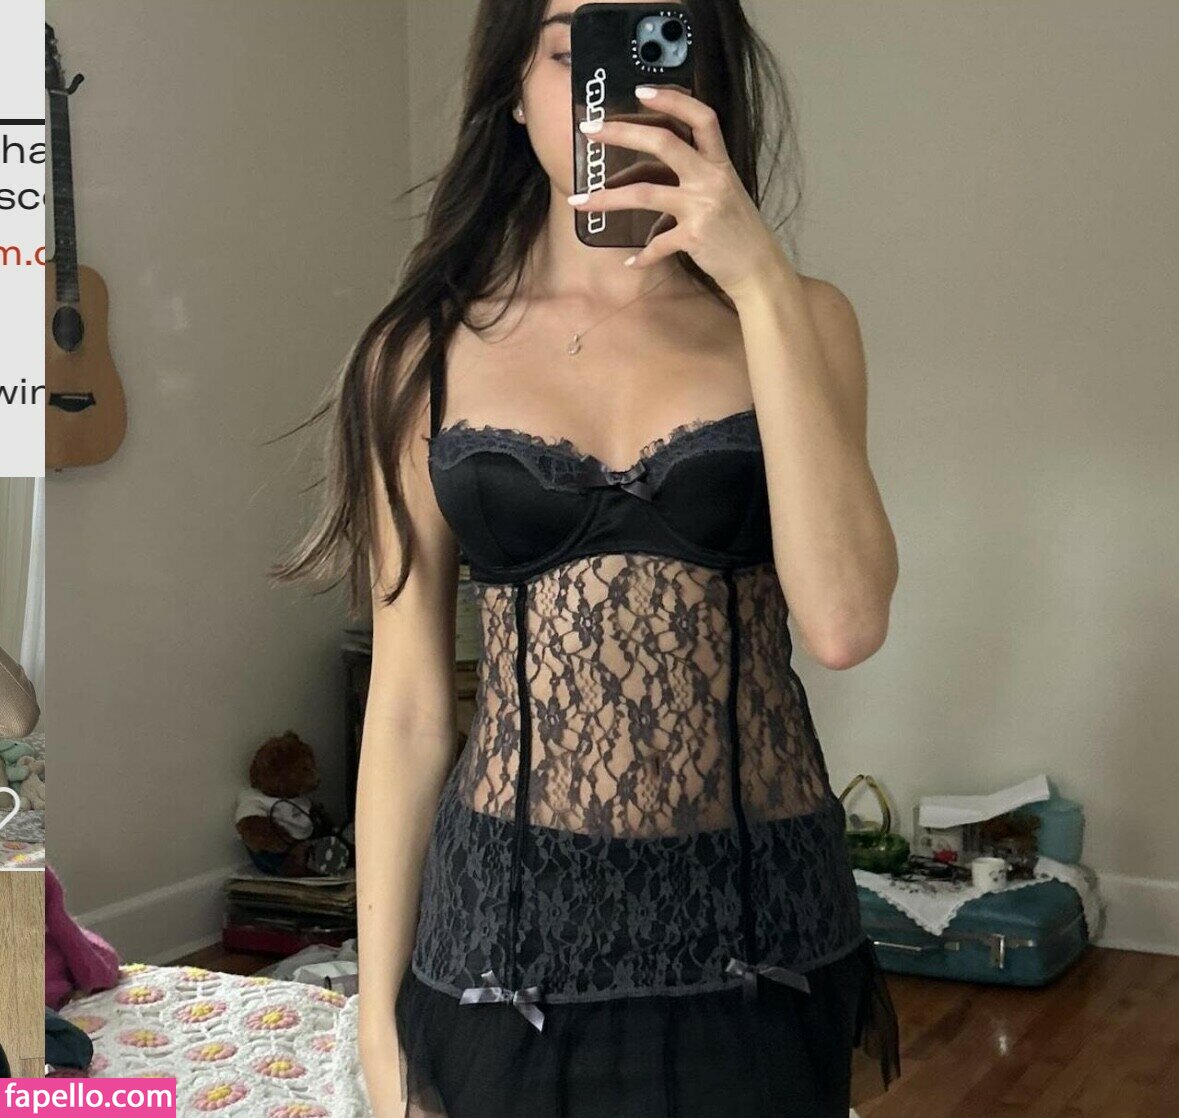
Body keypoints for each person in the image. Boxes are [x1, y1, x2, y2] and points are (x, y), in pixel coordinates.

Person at [273, 1, 901, 1114]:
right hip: (508, 936)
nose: (614, 93)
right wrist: (376, 1024)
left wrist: (757, 279)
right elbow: (408, 707)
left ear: (705, 81)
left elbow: (846, 623)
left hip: (758, 930)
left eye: (653, 47)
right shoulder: (419, 352)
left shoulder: (802, 319)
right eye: (573, 50)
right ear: (515, 91)